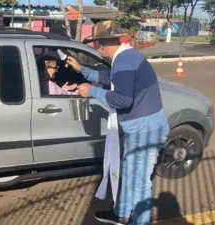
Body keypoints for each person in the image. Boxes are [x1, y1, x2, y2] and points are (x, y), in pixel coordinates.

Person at [66, 21, 170, 225]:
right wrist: (82, 70)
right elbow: (110, 77)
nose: (96, 48)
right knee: (129, 172)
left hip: (144, 133)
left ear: (101, 46)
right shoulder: (127, 56)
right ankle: (122, 213)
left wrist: (92, 91)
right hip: (147, 128)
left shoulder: (123, 61)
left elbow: (123, 99)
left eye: (95, 45)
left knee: (139, 182)